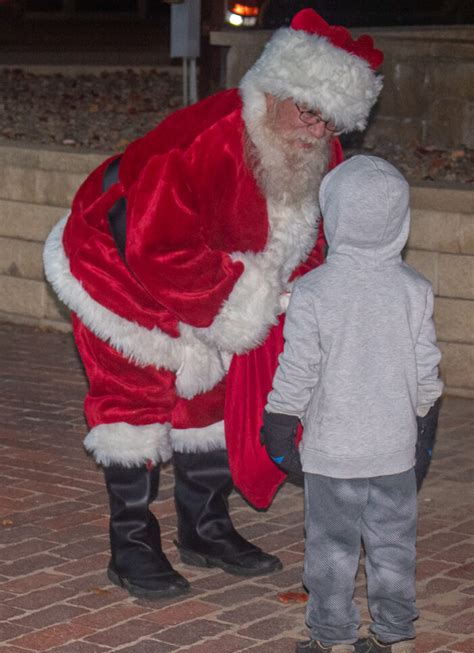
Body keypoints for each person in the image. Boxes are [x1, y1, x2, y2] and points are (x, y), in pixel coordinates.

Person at [43, 9, 384, 600]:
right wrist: (243, 307)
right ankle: (131, 547)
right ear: (275, 91)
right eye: (307, 110)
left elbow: (311, 242)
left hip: (216, 286)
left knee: (216, 402)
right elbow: (158, 246)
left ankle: (203, 529)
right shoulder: (207, 142)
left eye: (331, 121)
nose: (315, 130)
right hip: (118, 271)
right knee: (134, 407)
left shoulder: (316, 152)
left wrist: (299, 298)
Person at [262, 155, 443, 653]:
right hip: (394, 450)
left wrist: (279, 423)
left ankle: (333, 639)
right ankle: (395, 637)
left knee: (332, 548)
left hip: (332, 452)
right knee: (393, 547)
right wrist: (423, 431)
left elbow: (298, 368)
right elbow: (426, 370)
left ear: (333, 215)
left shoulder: (315, 291)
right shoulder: (414, 289)